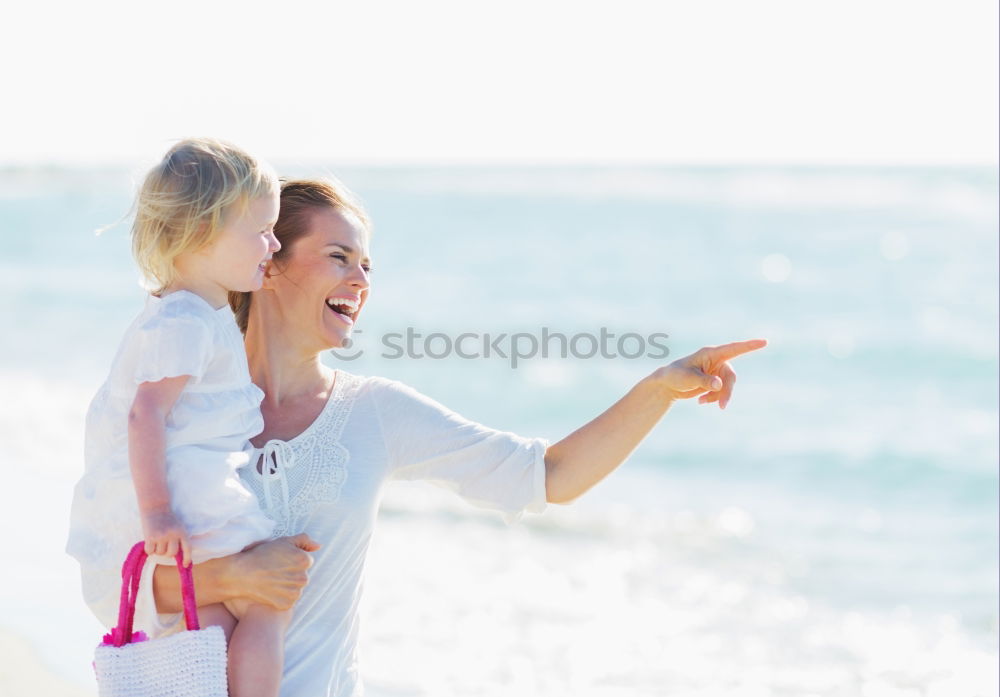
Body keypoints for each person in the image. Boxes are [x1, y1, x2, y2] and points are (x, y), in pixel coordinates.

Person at [76, 176, 766, 697]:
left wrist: (657, 391)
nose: (362, 280)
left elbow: (547, 476)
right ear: (270, 261)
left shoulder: (376, 413)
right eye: (340, 256)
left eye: (368, 265)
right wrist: (234, 576)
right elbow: (111, 583)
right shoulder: (175, 400)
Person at [66, 139, 315, 697]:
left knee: (215, 623)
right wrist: (157, 513)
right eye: (262, 231)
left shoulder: (194, 306)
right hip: (192, 492)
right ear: (204, 232)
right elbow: (145, 415)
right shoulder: (185, 320)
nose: (273, 245)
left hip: (195, 486)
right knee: (266, 607)